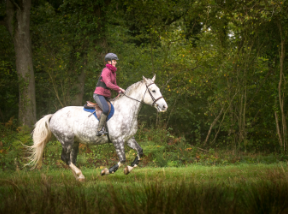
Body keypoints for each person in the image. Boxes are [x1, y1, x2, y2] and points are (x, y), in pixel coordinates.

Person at [93, 53, 125, 136]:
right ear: (109, 61)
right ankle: (99, 129)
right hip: (99, 95)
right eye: (114, 61)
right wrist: (120, 89)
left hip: (106, 96)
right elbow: (108, 84)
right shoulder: (106, 70)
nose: (115, 62)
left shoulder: (113, 72)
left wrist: (119, 91)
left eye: (115, 61)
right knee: (106, 109)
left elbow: (115, 84)